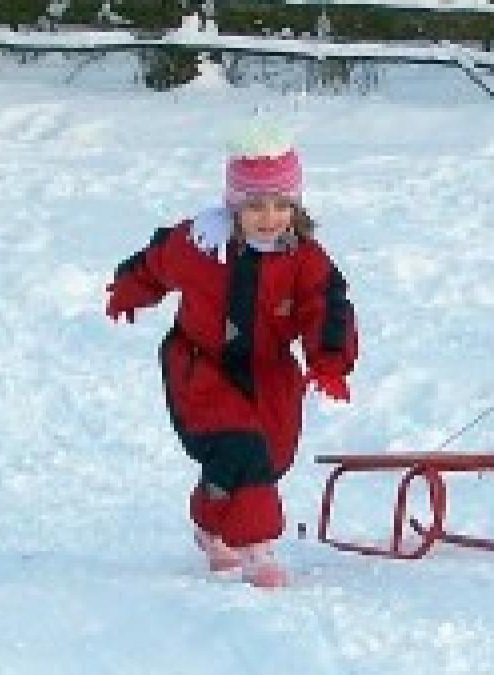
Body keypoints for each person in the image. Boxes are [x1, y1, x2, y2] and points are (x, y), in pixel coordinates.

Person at [105, 121, 359, 586]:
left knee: (268, 458)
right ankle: (258, 551)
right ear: (234, 205)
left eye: (281, 205)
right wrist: (128, 289)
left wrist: (329, 360)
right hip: (201, 367)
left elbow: (327, 305)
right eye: (255, 205)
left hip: (268, 375)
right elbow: (156, 262)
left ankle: (211, 526)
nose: (269, 217)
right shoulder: (202, 245)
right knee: (244, 448)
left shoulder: (303, 257)